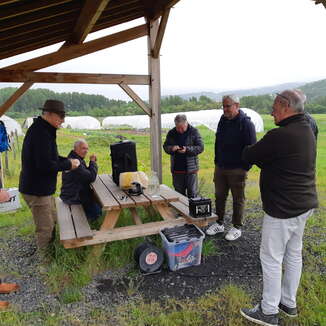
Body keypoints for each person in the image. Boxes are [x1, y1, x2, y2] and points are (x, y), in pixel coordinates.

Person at [240, 90, 318, 326]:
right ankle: (288, 303)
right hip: (303, 204)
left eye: (274, 106)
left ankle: (268, 311)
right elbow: (269, 158)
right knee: (293, 254)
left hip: (283, 208)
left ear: (285, 106)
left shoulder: (279, 135)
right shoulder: (307, 128)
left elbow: (250, 154)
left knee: (271, 258)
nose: (271, 110)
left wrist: (260, 158)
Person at [19, 99, 80, 252]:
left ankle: (51, 252)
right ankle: (45, 264)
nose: (63, 120)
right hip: (37, 190)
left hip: (40, 188)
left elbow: (49, 157)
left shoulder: (44, 129)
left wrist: (66, 160)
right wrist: (69, 165)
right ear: (50, 114)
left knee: (52, 220)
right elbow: (45, 165)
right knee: (45, 228)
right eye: (60, 116)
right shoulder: (41, 133)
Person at [206, 95, 256, 241]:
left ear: (237, 105)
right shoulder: (223, 120)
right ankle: (219, 223)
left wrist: (244, 167)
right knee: (219, 196)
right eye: (223, 106)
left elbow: (252, 148)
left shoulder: (246, 124)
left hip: (237, 169)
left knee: (238, 199)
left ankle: (236, 227)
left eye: (228, 106)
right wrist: (217, 161)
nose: (225, 109)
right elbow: (218, 141)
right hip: (220, 167)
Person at [163, 114, 204, 198]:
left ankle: (191, 211)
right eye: (178, 128)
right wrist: (172, 148)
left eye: (182, 127)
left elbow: (200, 147)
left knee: (192, 195)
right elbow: (165, 146)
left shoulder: (194, 131)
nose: (180, 130)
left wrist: (187, 150)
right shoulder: (172, 133)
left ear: (186, 123)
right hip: (177, 170)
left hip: (191, 171)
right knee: (178, 196)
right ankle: (180, 211)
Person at [60, 139, 101, 221]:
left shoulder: (76, 158)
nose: (86, 151)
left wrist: (91, 164)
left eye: (87, 148)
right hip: (73, 197)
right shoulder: (75, 162)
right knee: (96, 213)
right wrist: (92, 162)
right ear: (76, 149)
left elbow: (87, 173)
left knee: (97, 203)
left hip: (71, 193)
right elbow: (91, 177)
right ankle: (85, 219)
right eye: (83, 148)